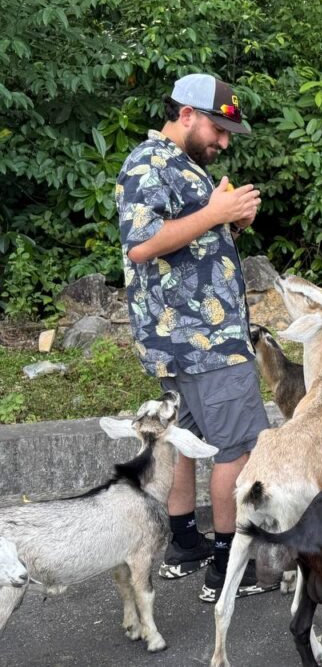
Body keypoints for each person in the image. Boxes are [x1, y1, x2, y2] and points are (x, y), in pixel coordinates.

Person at [116, 73, 277, 603]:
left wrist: (230, 224)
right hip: (202, 342)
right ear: (186, 113)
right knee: (238, 445)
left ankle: (186, 545)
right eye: (218, 128)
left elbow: (187, 243)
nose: (224, 141)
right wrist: (214, 212)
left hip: (189, 338)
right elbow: (142, 245)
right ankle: (230, 569)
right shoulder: (148, 163)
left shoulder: (181, 165)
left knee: (189, 442)